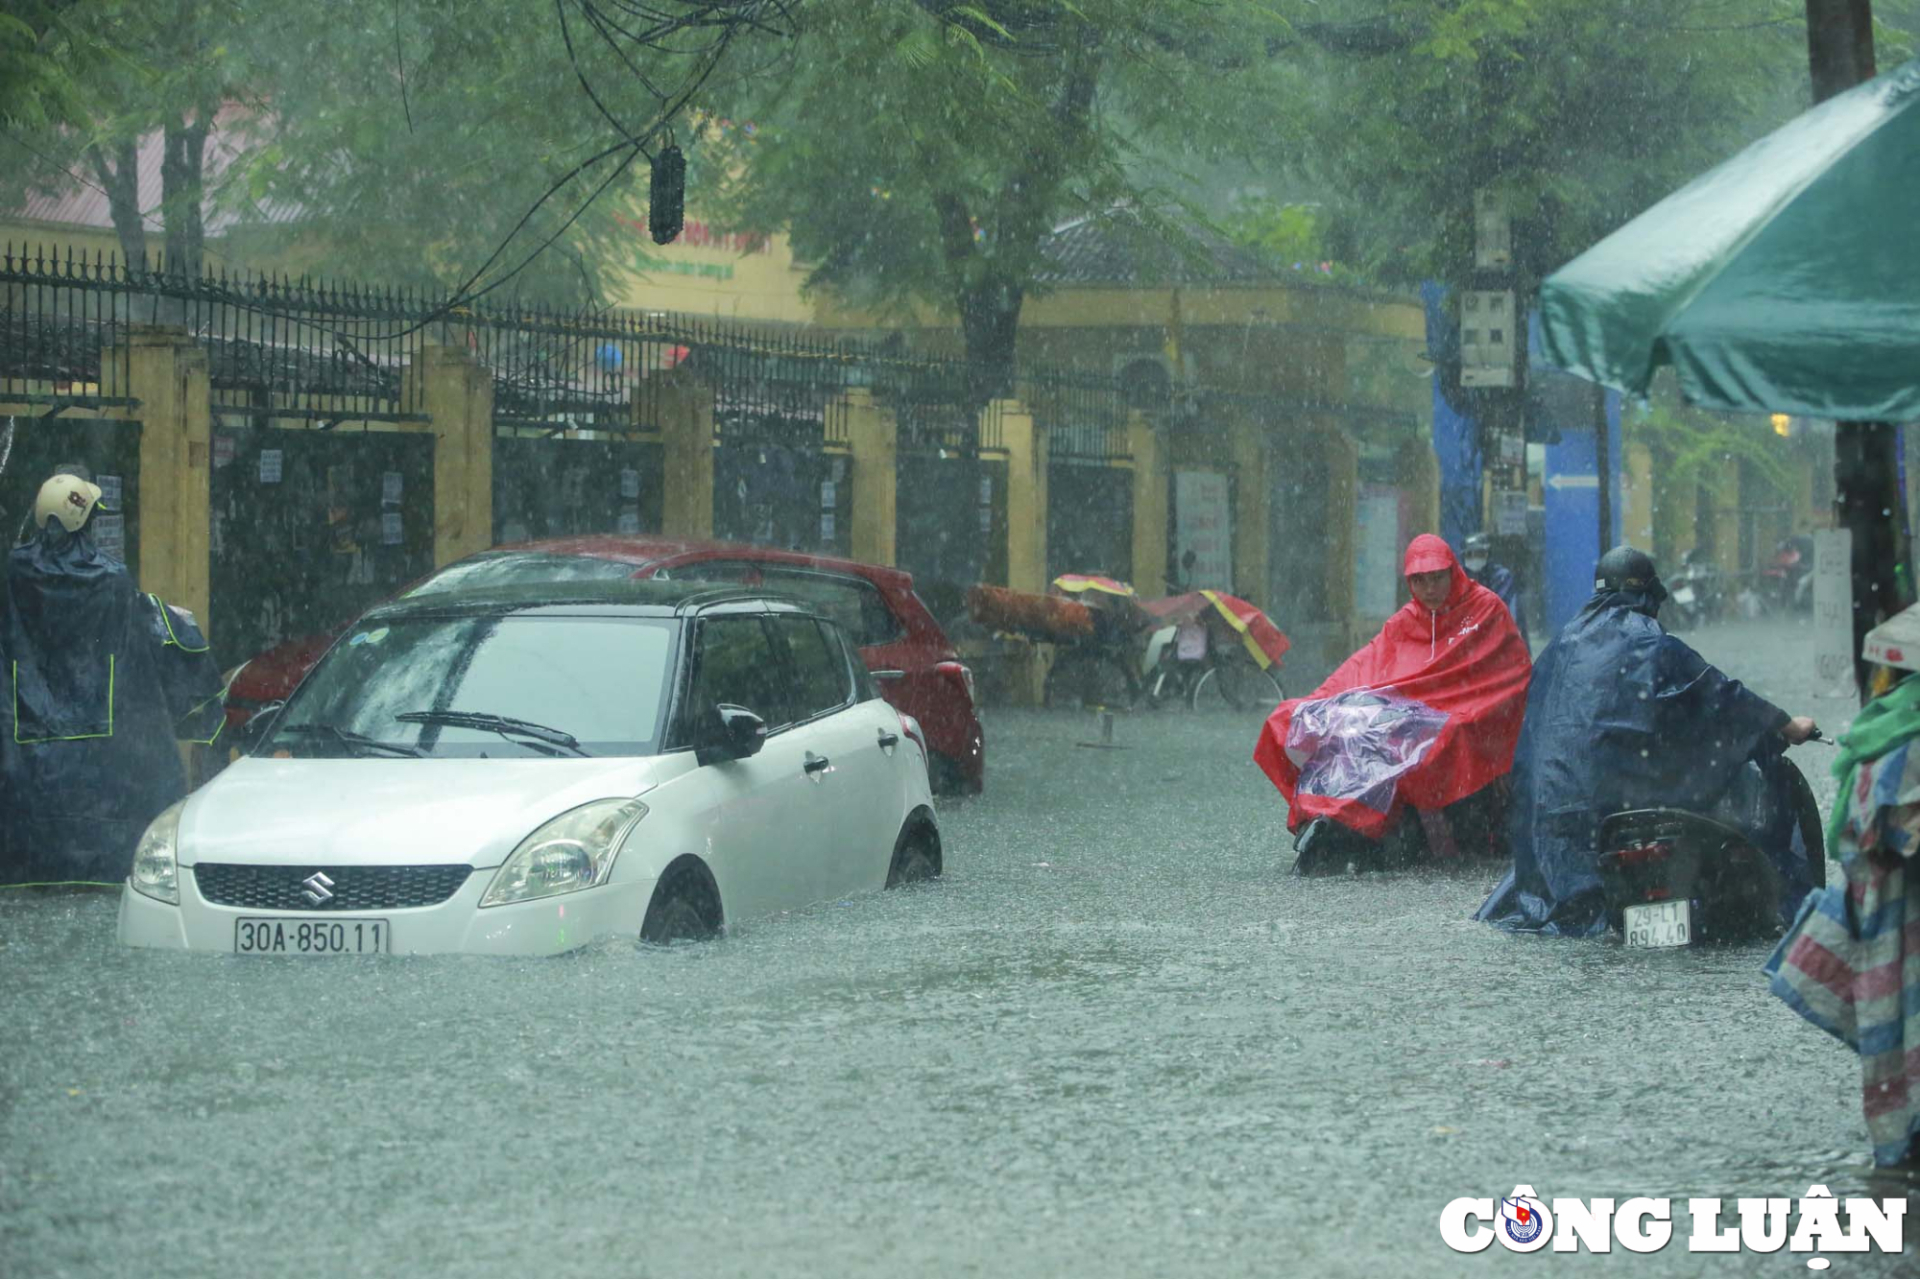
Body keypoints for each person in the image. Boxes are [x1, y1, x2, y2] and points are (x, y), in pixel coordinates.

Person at [1476, 546, 1819, 936]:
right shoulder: (1654, 644)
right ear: (1648, 596)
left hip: (1552, 822)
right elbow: (1721, 696)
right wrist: (1784, 725)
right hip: (1624, 805)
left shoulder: (1559, 649)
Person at [1255, 534, 1532, 871]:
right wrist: (1313, 703)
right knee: (1352, 736)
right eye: (1420, 580)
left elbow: (1511, 674)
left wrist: (1465, 710)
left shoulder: (1485, 608)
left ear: (1453, 573)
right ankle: (1343, 817)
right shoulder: (1405, 621)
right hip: (1410, 715)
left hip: (1468, 716)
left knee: (1442, 739)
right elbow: (1363, 666)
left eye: (1436, 578)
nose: (1429, 589)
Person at [1, 474, 225, 886]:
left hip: (27, 746)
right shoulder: (111, 579)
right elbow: (153, 639)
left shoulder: (13, 573)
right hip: (102, 757)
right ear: (84, 523)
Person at [1766, 609, 1920, 1168]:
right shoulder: (1899, 738)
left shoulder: (1873, 739)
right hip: (1898, 920)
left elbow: (1856, 839)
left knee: (1894, 1039)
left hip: (1883, 926)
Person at [1461, 532, 1529, 647]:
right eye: (1470, 554)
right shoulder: (1460, 576)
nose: (1474, 558)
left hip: (1500, 637)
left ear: (1487, 554)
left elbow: (1502, 611)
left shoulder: (1501, 577)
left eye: (1479, 554)